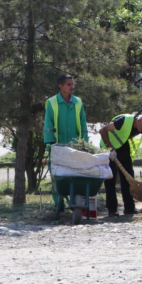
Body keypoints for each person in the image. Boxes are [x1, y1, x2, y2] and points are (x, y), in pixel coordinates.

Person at [44, 75, 89, 212]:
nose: (71, 86)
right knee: (57, 177)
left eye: (72, 84)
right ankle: (59, 205)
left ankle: (76, 202)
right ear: (61, 86)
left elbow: (83, 123)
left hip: (74, 146)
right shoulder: (52, 102)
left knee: (75, 175)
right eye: (68, 84)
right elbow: (48, 124)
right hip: (58, 145)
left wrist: (85, 144)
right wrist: (50, 144)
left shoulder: (78, 102)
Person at [99, 113, 142, 217]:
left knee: (129, 177)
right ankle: (112, 210)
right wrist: (109, 148)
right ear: (138, 121)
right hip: (110, 146)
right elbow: (103, 130)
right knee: (110, 178)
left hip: (123, 146)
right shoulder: (124, 120)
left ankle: (129, 208)